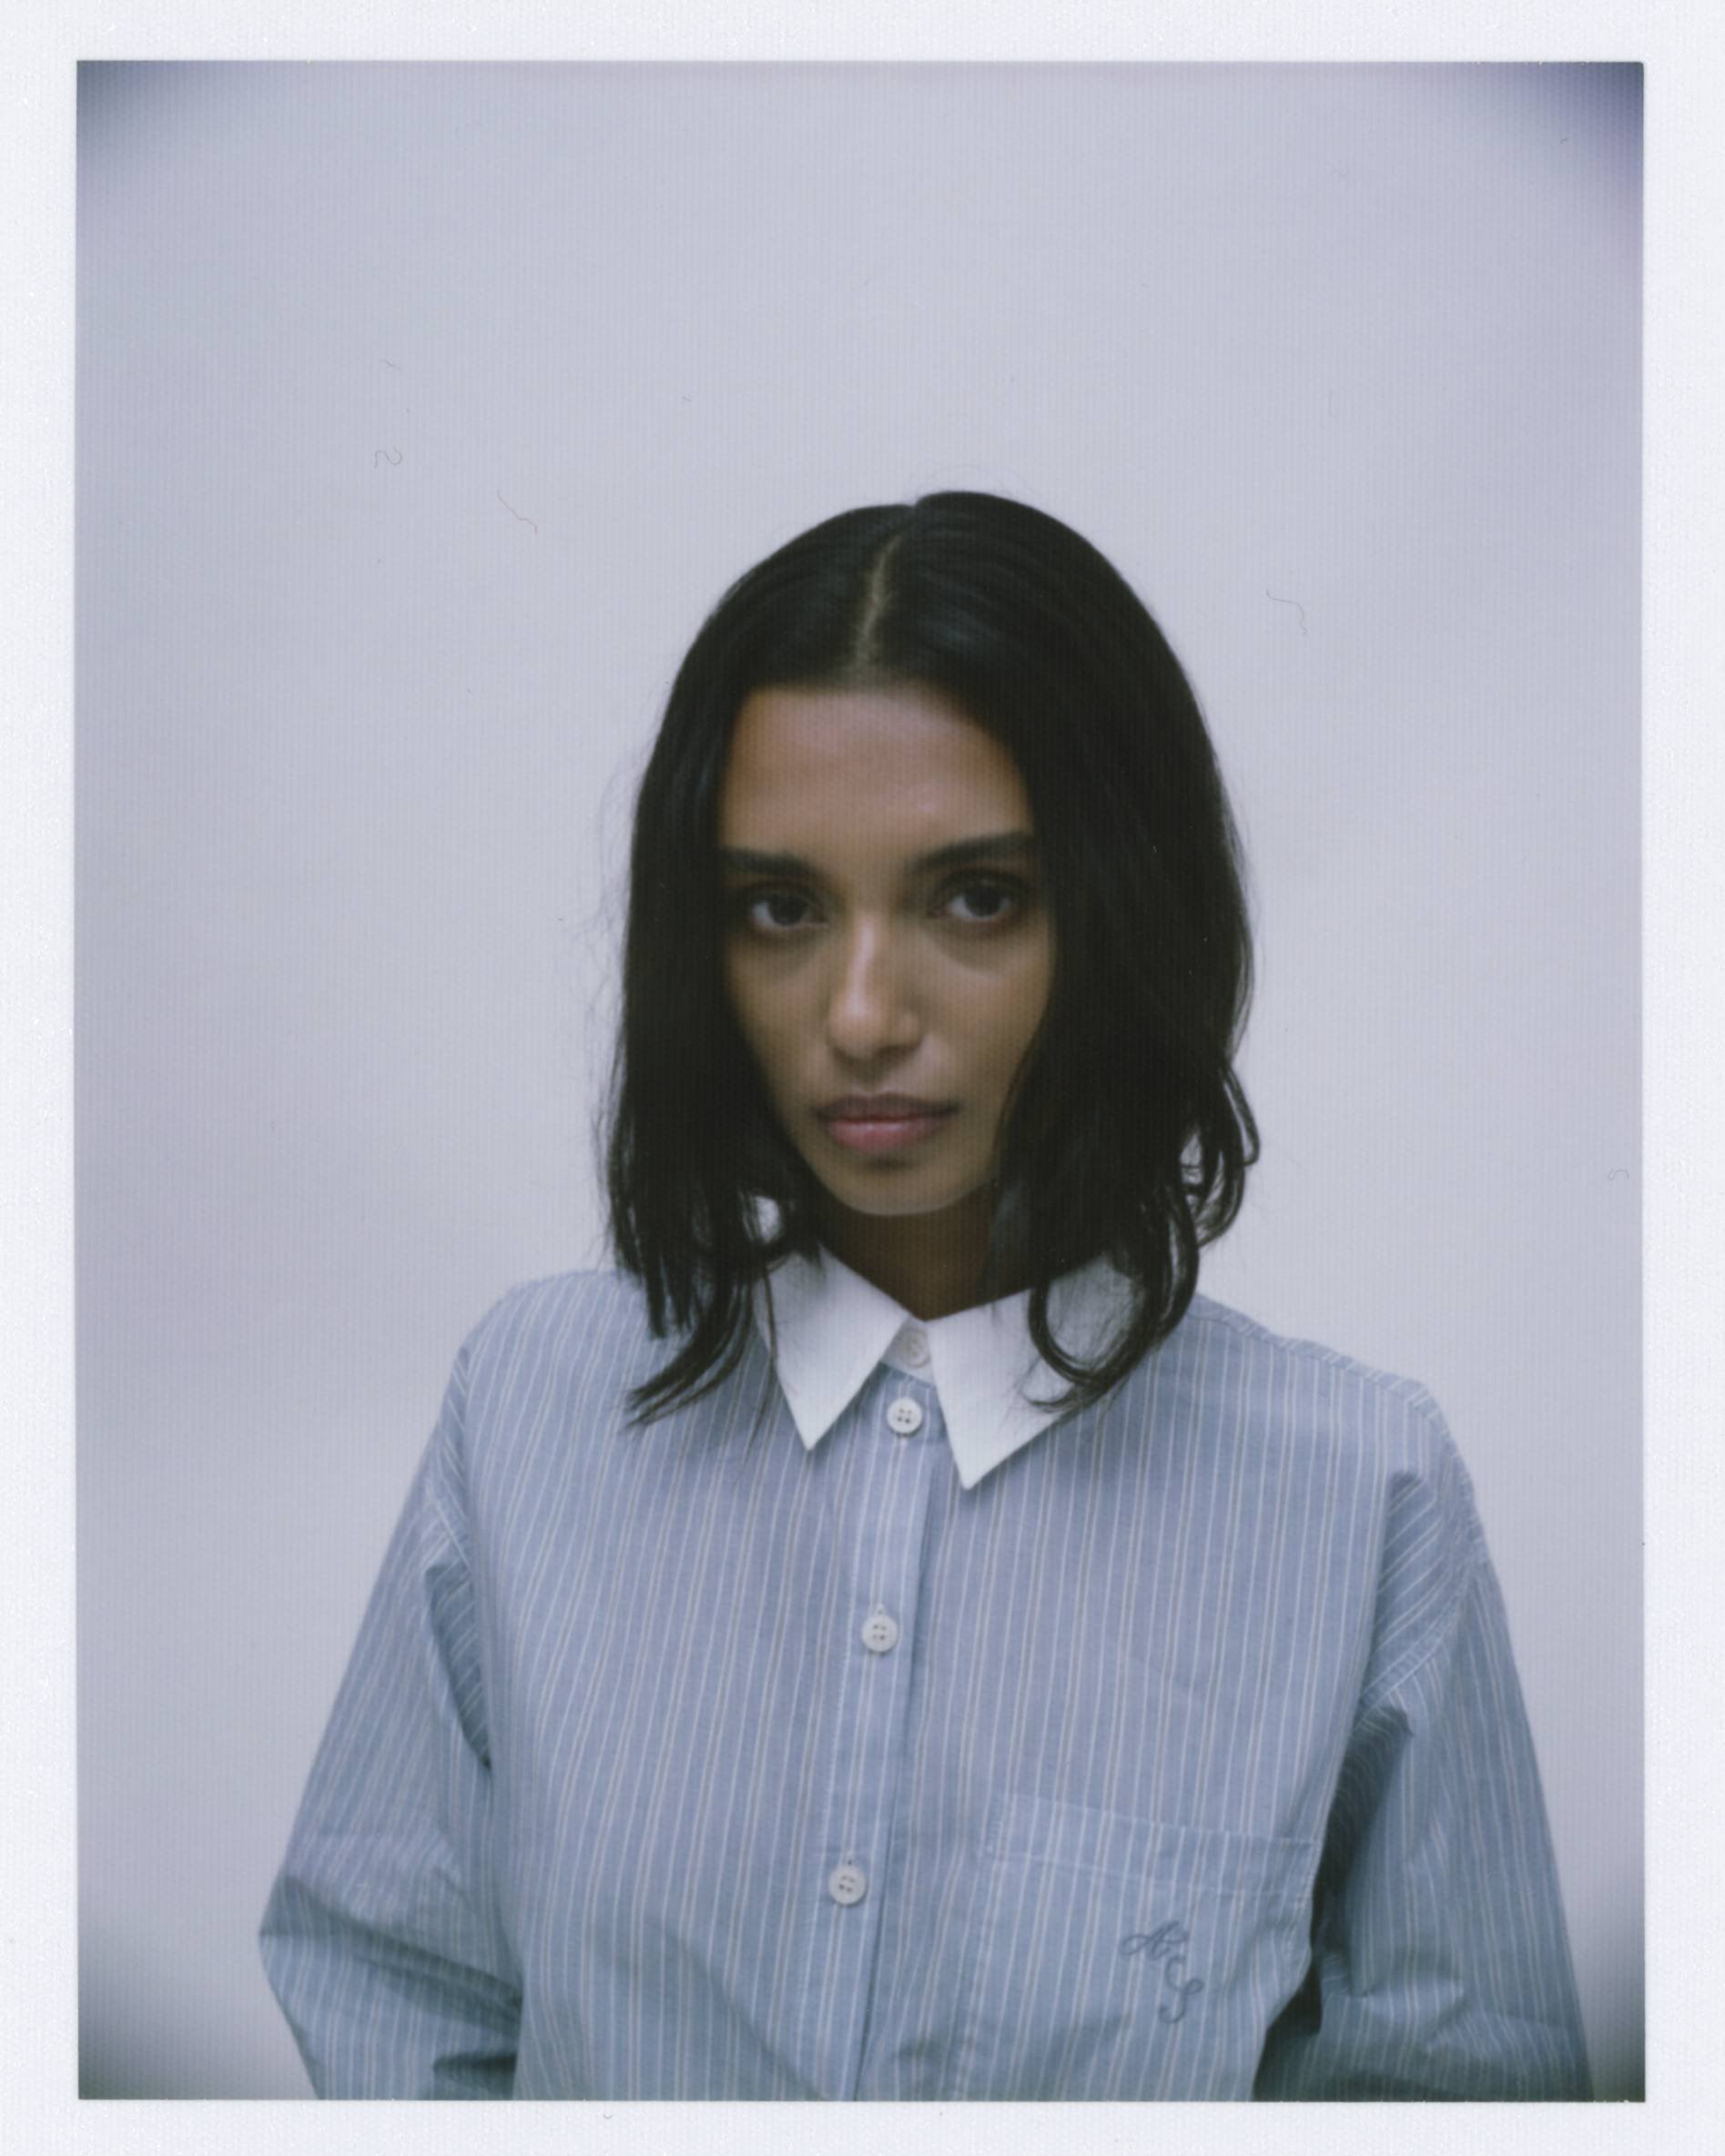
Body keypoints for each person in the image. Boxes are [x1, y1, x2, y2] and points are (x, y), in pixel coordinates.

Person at [259, 491, 1591, 2100]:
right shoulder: (532, 1398)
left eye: (975, 898)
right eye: (782, 907)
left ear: (1119, 909)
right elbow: (397, 1996)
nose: (863, 1012)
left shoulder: (1359, 1491)